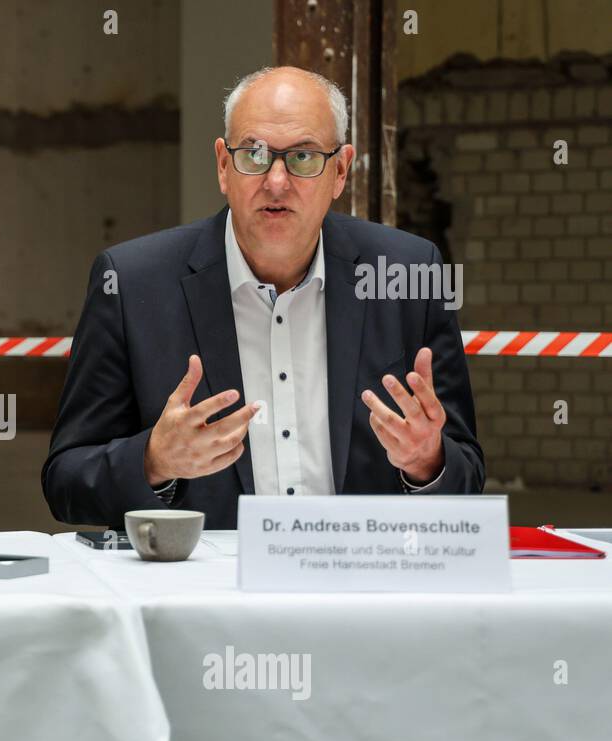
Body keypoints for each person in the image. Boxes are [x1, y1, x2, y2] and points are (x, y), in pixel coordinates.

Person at [43, 66, 484, 530]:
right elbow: (66, 480)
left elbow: (466, 474)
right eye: (253, 154)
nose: (276, 181)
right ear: (222, 165)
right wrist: (153, 460)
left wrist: (427, 461)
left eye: (303, 157)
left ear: (339, 171)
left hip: (360, 585)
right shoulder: (132, 283)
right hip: (207, 593)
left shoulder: (407, 273)